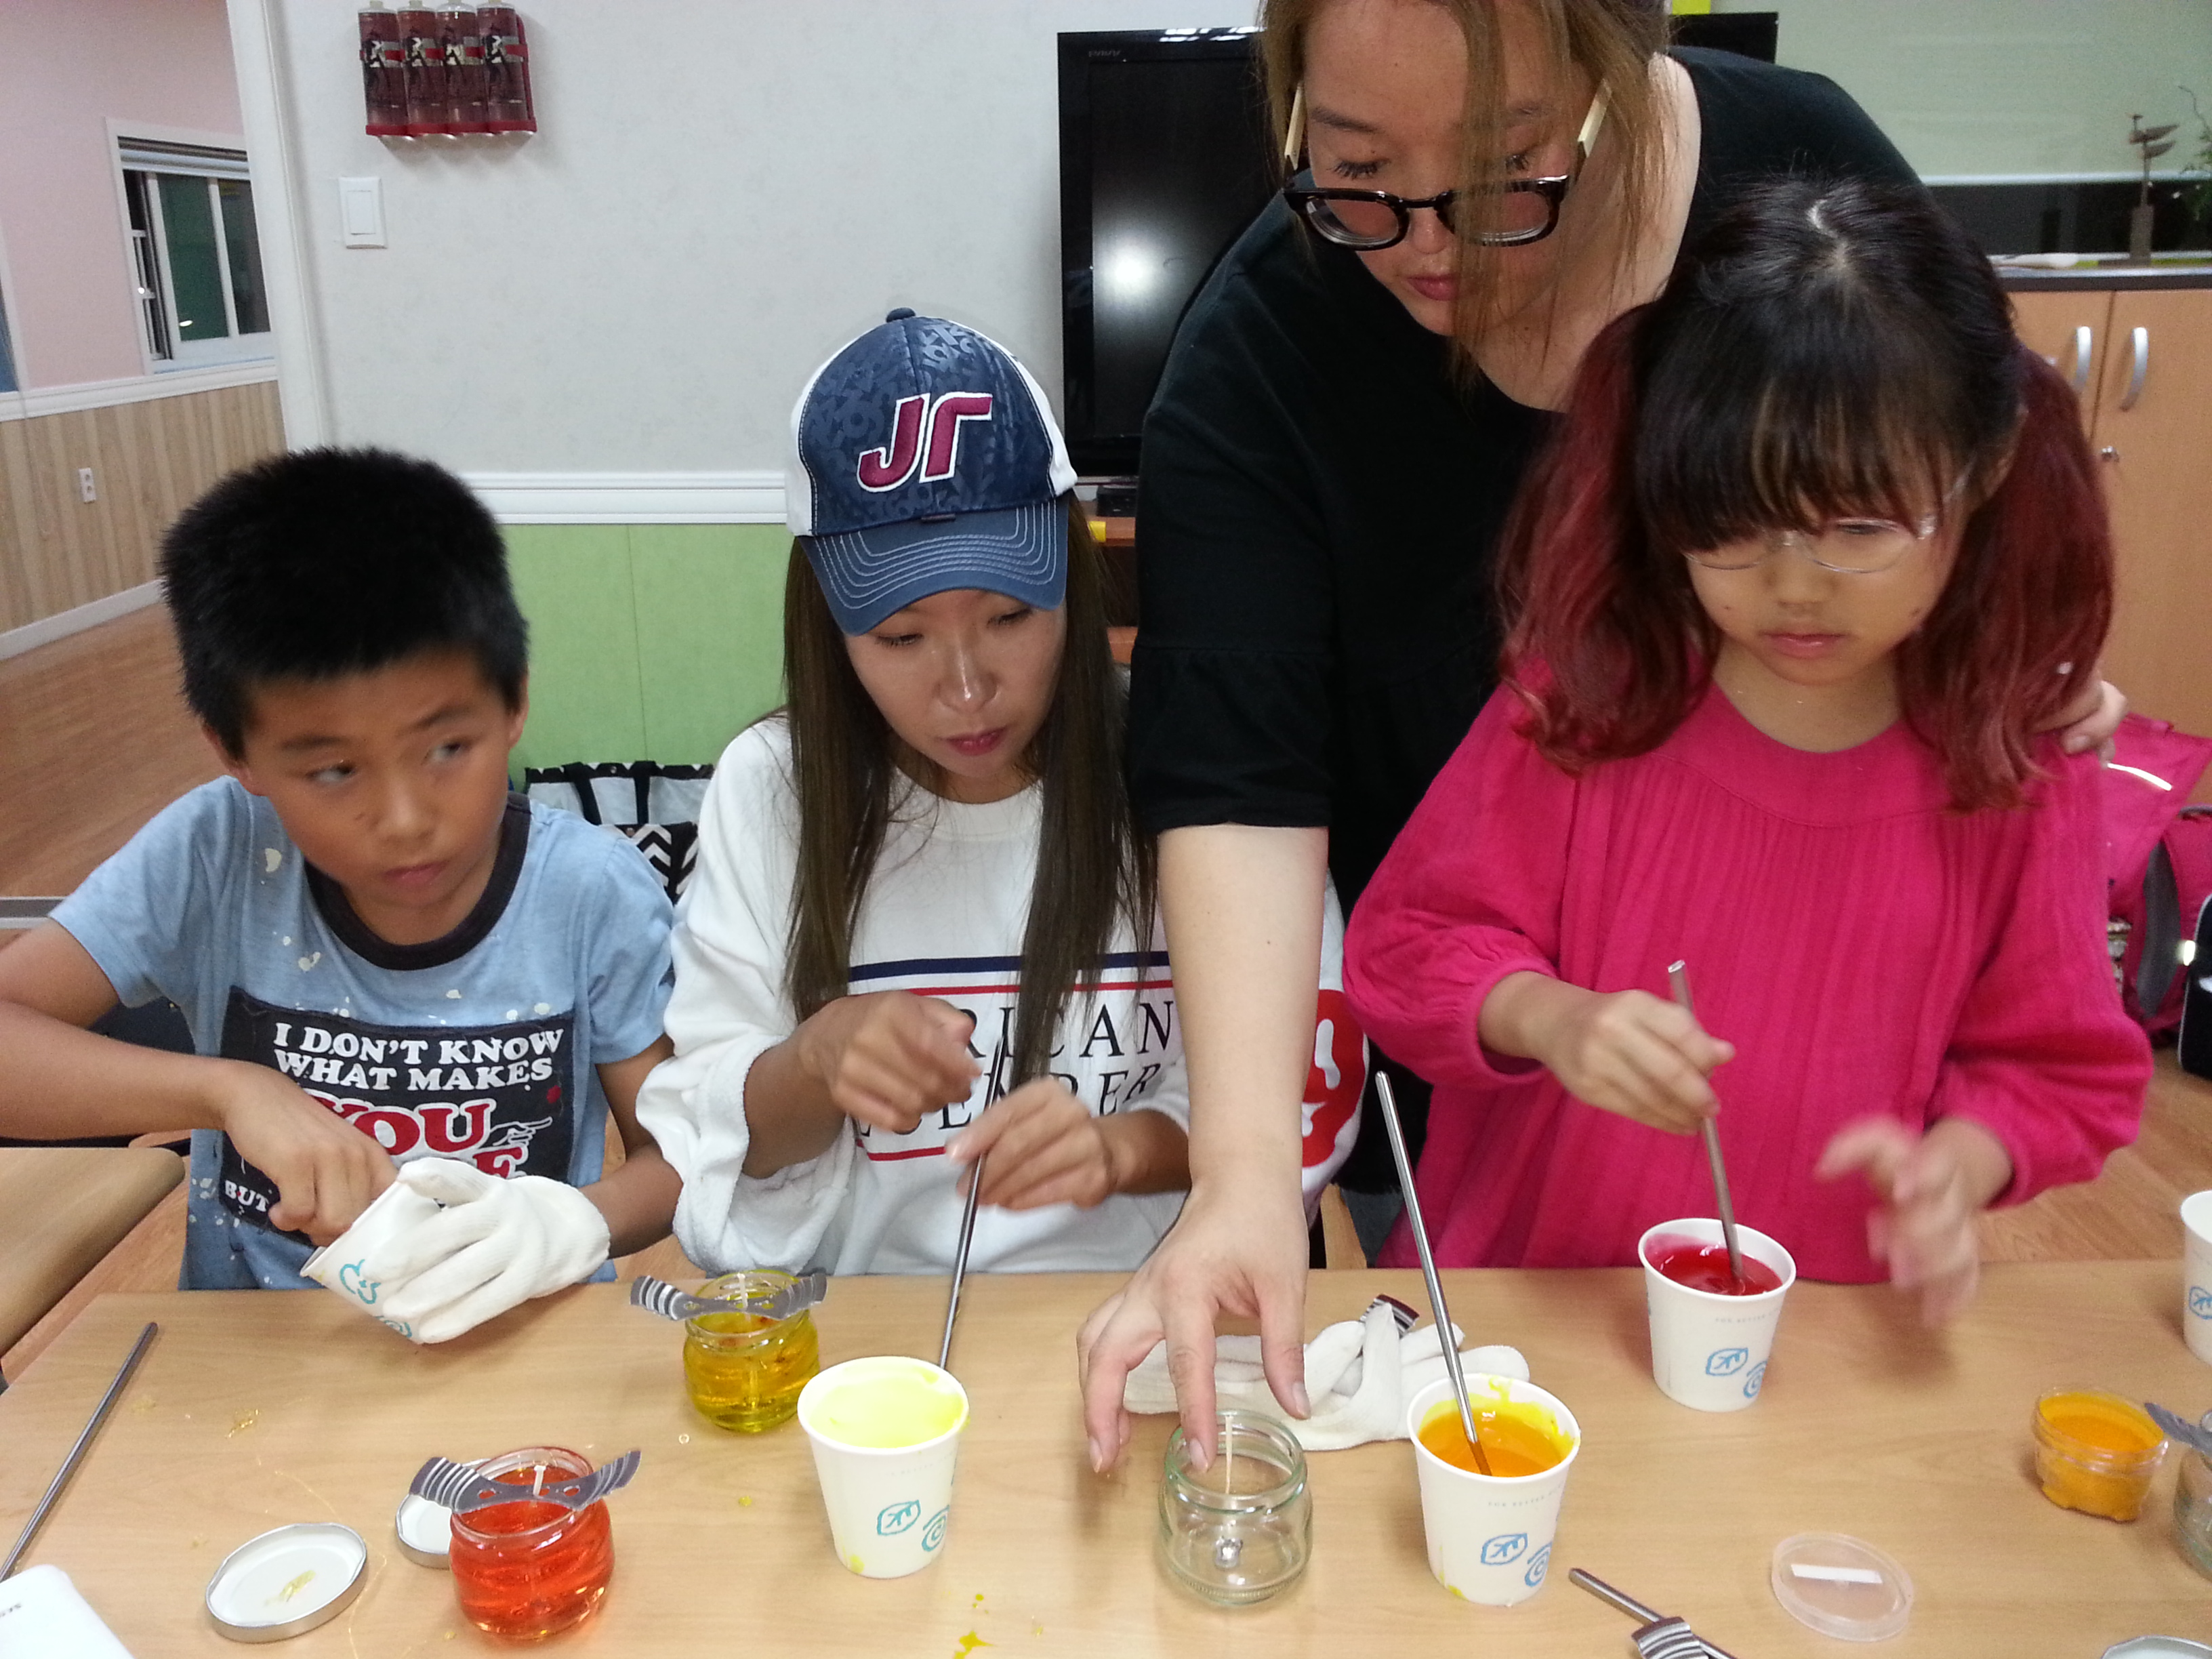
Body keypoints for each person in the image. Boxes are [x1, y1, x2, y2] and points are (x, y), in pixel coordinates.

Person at [1080, 0, 2123, 1468]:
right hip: (1515, 1188)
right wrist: (1247, 1173)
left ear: (1620, 79)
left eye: (1508, 169)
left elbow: (1954, 436)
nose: (1432, 238)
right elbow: (1261, 804)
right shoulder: (1275, 379)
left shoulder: (1806, 184)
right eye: (1358, 170)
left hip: (1827, 1317)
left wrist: (2028, 656)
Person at [1343, 178, 2152, 1323]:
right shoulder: (1592, 704)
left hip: (1818, 1334)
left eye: (1858, 528)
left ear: (1986, 468)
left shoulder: (2015, 759)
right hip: (1536, 1317)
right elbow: (1408, 950)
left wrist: (1959, 1166)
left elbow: (2060, 1066)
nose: (1792, 586)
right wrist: (1552, 1019)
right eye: (1728, 527)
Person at [635, 311, 1362, 1277]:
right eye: (902, 637)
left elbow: (1303, 1084)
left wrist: (1119, 1150)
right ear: (825, 623)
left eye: (1012, 615)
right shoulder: (774, 785)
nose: (969, 689)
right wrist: (817, 1059)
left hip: (1152, 1294)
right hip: (877, 1322)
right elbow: (711, 1140)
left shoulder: (1195, 753)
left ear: (1074, 576)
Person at [0, 449, 679, 1338]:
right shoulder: (215, 851)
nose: (404, 819)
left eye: (447, 749)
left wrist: (568, 1224)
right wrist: (229, 1092)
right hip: (256, 1353)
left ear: (514, 701)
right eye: (332, 771)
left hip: (516, 1343)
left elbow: (677, 1160)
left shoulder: (589, 890)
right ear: (235, 752)